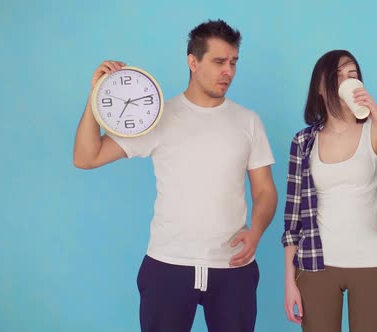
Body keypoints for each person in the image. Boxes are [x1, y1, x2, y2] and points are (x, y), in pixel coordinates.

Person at [73, 19, 277, 332]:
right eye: (219, 61)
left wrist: (257, 231)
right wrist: (95, 96)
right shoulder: (156, 117)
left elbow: (264, 191)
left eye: (233, 62)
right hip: (168, 264)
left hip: (232, 267)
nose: (229, 72)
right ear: (192, 62)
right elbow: (87, 157)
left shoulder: (248, 122)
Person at [282, 50, 377, 332]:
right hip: (315, 266)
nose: (349, 82)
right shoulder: (303, 142)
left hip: (374, 263)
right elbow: (293, 220)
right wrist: (290, 281)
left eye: (354, 76)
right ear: (321, 88)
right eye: (339, 77)